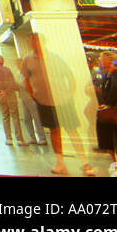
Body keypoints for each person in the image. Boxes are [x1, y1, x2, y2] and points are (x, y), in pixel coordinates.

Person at [20, 39, 93, 176]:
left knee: (72, 130)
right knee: (54, 131)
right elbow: (26, 80)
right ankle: (60, 162)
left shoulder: (55, 58)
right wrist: (34, 96)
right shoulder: (28, 60)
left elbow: (70, 76)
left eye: (36, 41)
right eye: (32, 41)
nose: (33, 43)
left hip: (63, 101)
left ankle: (83, 162)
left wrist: (70, 94)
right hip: (45, 102)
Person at [0, 55, 23, 147]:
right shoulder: (7, 69)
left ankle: (9, 139)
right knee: (15, 116)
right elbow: (12, 83)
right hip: (10, 95)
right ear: (1, 61)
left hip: (0, 97)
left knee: (5, 116)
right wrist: (6, 92)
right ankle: (19, 140)